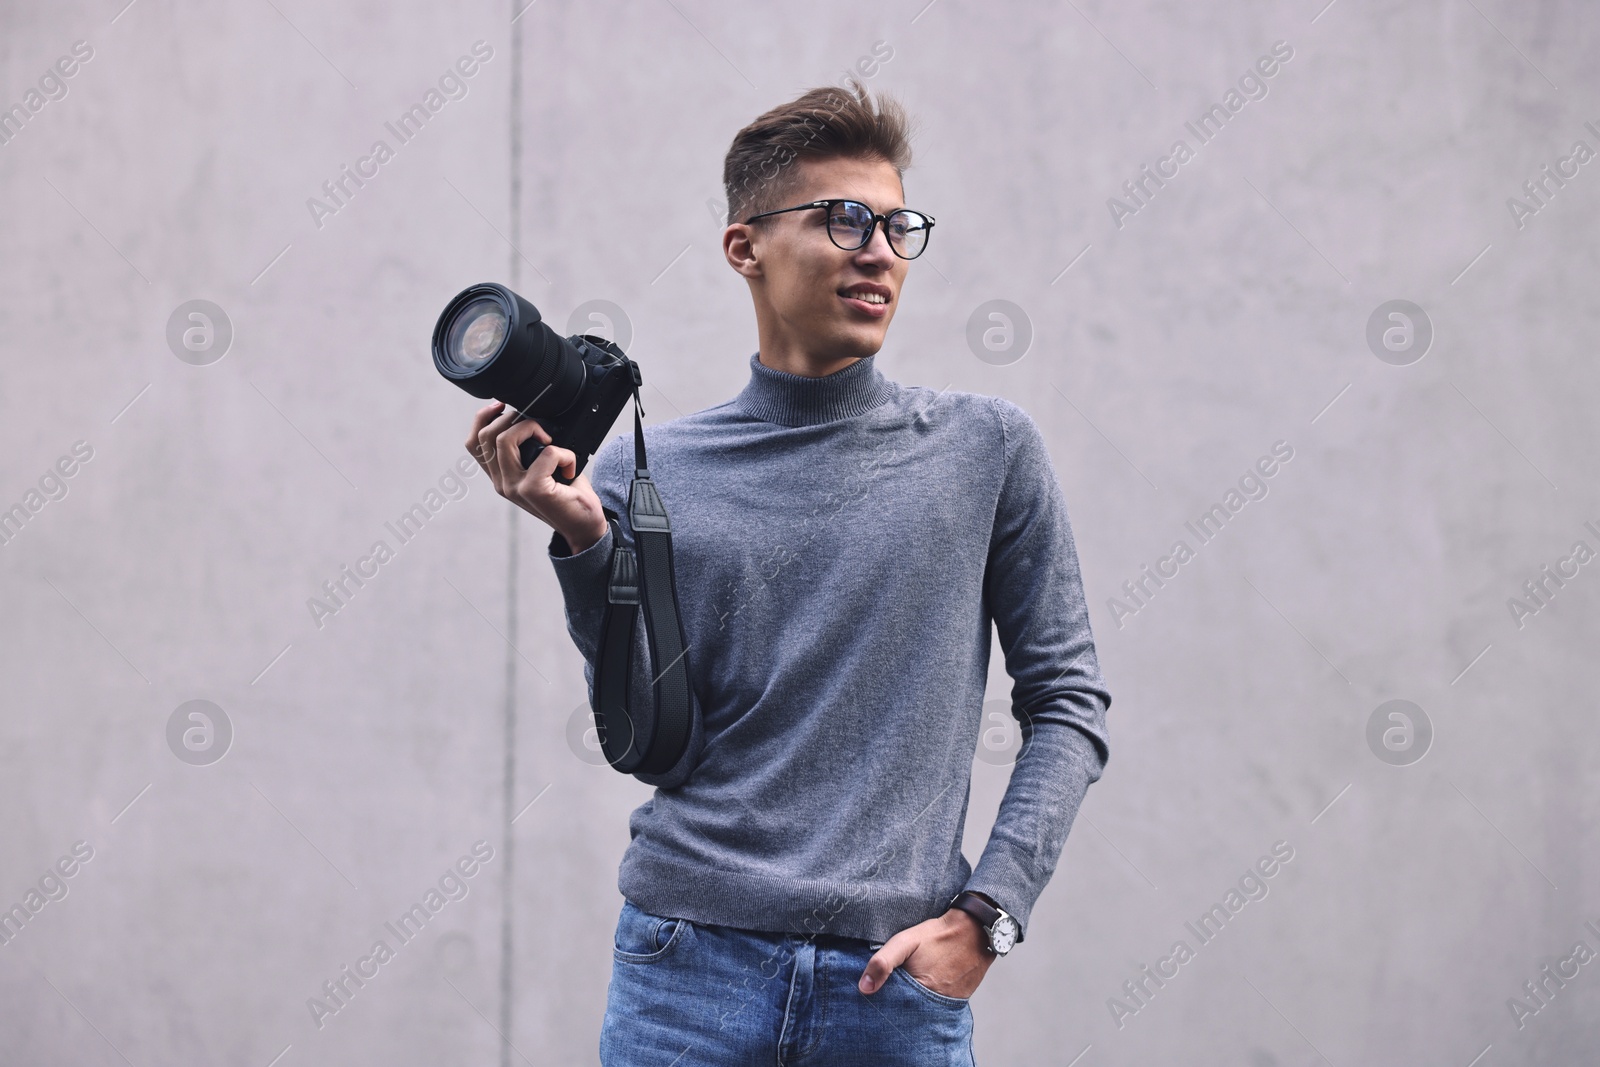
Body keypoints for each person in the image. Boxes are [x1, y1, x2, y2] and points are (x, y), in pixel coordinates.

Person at [465, 79, 1111, 1067]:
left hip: (890, 990)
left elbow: (1067, 701)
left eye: (899, 226)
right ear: (745, 247)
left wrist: (988, 915)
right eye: (845, 219)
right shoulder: (649, 469)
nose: (879, 251)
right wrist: (585, 543)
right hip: (684, 973)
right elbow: (647, 743)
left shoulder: (986, 451)